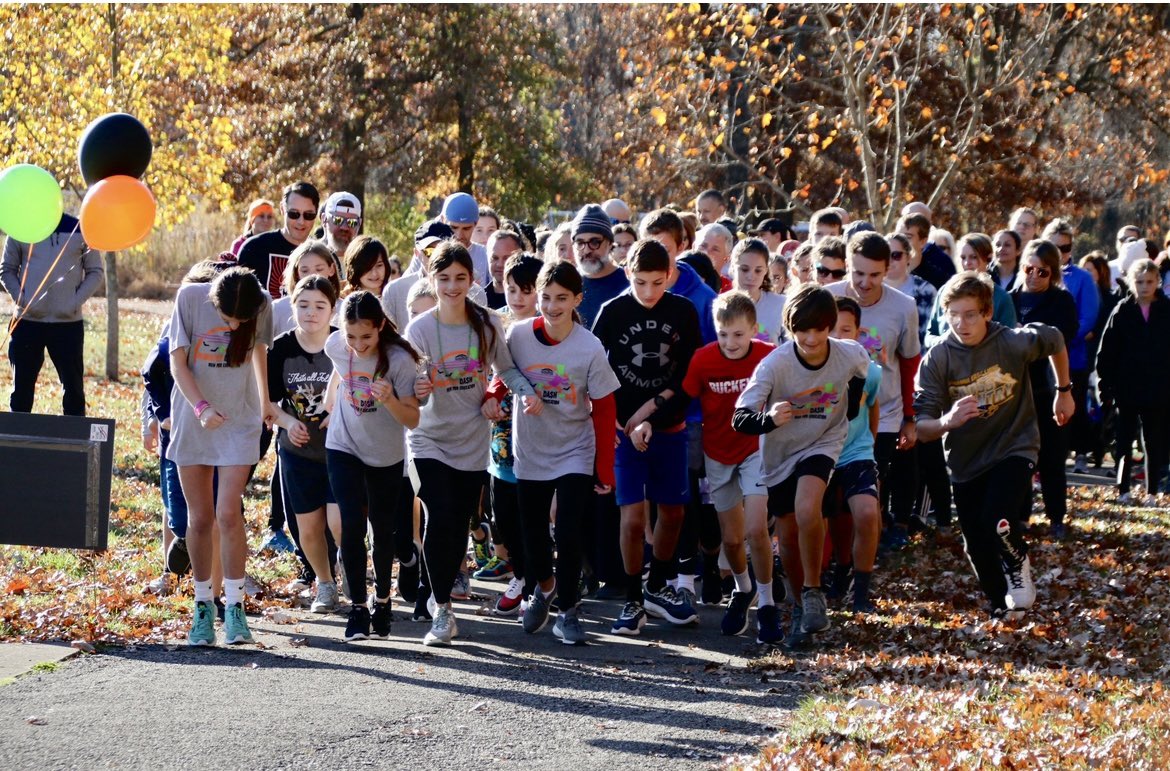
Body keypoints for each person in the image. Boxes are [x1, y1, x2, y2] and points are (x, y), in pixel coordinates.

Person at [405, 241, 539, 646]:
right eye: (443, 278)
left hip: (471, 440)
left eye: (460, 278)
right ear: (432, 278)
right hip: (427, 438)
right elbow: (415, 394)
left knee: (457, 522)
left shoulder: (486, 323)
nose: (451, 286)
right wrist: (422, 388)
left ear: (472, 280)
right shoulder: (420, 329)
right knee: (440, 514)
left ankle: (440, 596)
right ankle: (441, 609)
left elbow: (506, 369)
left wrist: (517, 393)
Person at [916, 271, 1073, 616]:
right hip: (965, 460)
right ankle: (1000, 605)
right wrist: (948, 421)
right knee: (976, 544)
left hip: (1015, 445)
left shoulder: (1012, 341)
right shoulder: (938, 357)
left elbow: (1056, 339)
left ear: (987, 312)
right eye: (953, 314)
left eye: (970, 314)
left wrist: (1064, 392)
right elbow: (922, 428)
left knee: (997, 517)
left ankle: (1018, 564)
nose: (961, 323)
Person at [733, 284, 870, 646]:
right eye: (802, 329)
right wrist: (768, 420)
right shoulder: (775, 364)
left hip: (823, 441)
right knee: (788, 535)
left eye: (820, 329)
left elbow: (861, 371)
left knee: (808, 506)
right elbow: (741, 417)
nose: (811, 338)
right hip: (779, 453)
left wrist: (852, 405)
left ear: (830, 326)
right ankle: (798, 608)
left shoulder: (848, 353)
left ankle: (813, 591)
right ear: (789, 328)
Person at [501, 261, 621, 645]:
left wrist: (605, 468)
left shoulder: (589, 346)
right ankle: (545, 586)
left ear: (577, 300)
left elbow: (604, 409)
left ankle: (568, 611)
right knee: (532, 535)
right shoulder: (518, 335)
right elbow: (501, 373)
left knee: (568, 532)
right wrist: (493, 397)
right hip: (531, 448)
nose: (552, 306)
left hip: (574, 448)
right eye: (547, 297)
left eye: (562, 299)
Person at [591, 239, 702, 634]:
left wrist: (652, 417)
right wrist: (623, 423)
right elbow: (596, 375)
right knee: (633, 516)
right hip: (622, 432)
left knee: (673, 511)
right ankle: (633, 598)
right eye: (641, 283)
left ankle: (658, 586)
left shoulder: (684, 311)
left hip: (669, 428)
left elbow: (688, 377)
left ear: (670, 275)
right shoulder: (612, 312)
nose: (650, 292)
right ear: (627, 275)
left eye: (658, 282)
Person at [167, 266, 273, 646]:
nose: (233, 326)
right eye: (228, 318)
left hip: (239, 421)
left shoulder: (262, 303)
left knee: (228, 512)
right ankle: (202, 606)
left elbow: (260, 352)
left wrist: (266, 403)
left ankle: (235, 607)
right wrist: (201, 408)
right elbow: (177, 363)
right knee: (200, 518)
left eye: (240, 321)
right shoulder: (189, 299)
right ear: (214, 300)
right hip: (195, 418)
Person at [680, 292, 781, 643]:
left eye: (739, 335)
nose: (730, 342)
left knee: (756, 529)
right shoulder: (703, 360)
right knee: (732, 538)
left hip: (756, 449)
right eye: (723, 334)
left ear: (753, 329)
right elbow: (681, 401)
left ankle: (767, 603)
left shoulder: (769, 356)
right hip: (717, 453)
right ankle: (744, 589)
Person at [322, 291, 421, 641]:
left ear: (380, 326)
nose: (358, 345)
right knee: (350, 524)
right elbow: (337, 374)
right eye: (351, 336)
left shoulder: (399, 360)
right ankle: (358, 609)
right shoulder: (335, 346)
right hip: (343, 444)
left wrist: (390, 398)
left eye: (366, 336)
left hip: (385, 453)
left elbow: (412, 418)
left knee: (382, 530)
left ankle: (382, 600)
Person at [827, 232, 921, 550]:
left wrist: (910, 417)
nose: (865, 283)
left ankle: (864, 559)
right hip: (831, 411)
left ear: (888, 269)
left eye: (874, 275)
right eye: (858, 273)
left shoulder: (903, 307)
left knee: (869, 491)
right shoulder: (827, 298)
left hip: (884, 413)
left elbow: (909, 364)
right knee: (833, 494)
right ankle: (837, 559)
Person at [267, 275, 342, 616]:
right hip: (298, 452)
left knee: (340, 522)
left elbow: (365, 388)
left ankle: (354, 579)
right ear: (292, 305)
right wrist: (288, 422)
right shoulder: (280, 348)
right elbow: (265, 402)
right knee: (308, 527)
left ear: (332, 309)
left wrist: (340, 413)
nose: (311, 312)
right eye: (303, 305)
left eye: (320, 306)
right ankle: (325, 585)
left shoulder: (344, 342)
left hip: (341, 451)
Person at [477, 253, 544, 611]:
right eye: (512, 289)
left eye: (527, 290)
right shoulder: (496, 324)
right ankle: (521, 571)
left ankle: (539, 582)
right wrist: (490, 400)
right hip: (502, 433)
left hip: (541, 432)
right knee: (502, 512)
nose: (518, 297)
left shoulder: (548, 327)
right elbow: (493, 372)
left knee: (533, 513)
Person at [2, 212, 104, 416]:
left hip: (67, 325)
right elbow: (7, 270)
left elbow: (95, 271)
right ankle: (17, 445)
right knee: (21, 393)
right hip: (27, 322)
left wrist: (73, 302)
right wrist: (23, 301)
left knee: (74, 392)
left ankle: (74, 445)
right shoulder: (21, 226)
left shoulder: (79, 228)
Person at [1011, 239, 1078, 537]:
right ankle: (1020, 516)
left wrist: (1064, 391)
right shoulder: (1008, 299)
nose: (1034, 276)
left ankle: (1056, 518)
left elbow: (1062, 339)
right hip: (1013, 390)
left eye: (1043, 272)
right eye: (1029, 268)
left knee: (1051, 457)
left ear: (1054, 273)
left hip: (1047, 387)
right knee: (1016, 457)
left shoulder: (1060, 301)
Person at [822, 296, 882, 612]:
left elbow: (872, 410)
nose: (837, 336)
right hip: (820, 453)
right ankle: (840, 570)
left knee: (867, 513)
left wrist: (866, 449)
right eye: (831, 328)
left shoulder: (870, 372)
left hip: (857, 451)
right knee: (835, 518)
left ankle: (861, 592)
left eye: (845, 329)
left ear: (858, 333)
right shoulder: (810, 368)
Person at [1096, 259, 1170, 501]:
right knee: (1124, 438)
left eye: (1149, 281)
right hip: (1126, 385)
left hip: (1158, 386)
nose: (1144, 286)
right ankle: (1123, 489)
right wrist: (1105, 385)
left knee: (1153, 439)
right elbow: (1107, 350)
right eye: (1139, 282)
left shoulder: (1166, 310)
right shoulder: (1122, 310)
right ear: (1131, 282)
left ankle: (1152, 490)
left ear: (1157, 281)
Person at [1040, 219, 1099, 478]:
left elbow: (1088, 316)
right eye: (1055, 247)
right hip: (1037, 360)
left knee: (1069, 412)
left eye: (1065, 247)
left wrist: (1060, 339)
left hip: (1071, 357)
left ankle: (1072, 456)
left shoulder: (1083, 278)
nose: (1060, 253)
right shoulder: (1033, 275)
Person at [381, 219, 487, 330]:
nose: (436, 257)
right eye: (430, 251)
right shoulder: (394, 291)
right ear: (417, 253)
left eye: (443, 252)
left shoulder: (475, 293)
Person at [237, 181, 320, 300]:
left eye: (308, 215)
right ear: (282, 209)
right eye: (293, 214)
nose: (301, 221)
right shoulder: (254, 248)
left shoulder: (323, 254)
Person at [272, 241, 342, 338]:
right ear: (296, 273)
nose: (312, 275)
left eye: (319, 269)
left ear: (331, 269)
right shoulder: (278, 309)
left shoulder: (344, 310)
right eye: (305, 271)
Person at [883, 232, 936, 347]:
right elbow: (868, 329)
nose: (890, 261)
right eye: (885, 255)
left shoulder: (925, 291)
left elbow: (931, 334)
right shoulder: (870, 288)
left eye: (896, 255)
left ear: (908, 257)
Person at [730, 238, 785, 344]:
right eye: (744, 269)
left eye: (758, 270)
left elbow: (791, 348)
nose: (751, 276)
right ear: (732, 268)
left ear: (766, 270)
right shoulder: (720, 305)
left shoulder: (781, 304)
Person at [440, 192, 490, 285]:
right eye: (453, 227)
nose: (459, 235)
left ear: (476, 223)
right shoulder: (428, 252)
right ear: (443, 220)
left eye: (466, 228)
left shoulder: (486, 255)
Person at [896, 212, 955, 290]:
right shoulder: (886, 273)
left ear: (923, 242)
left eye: (908, 237)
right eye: (898, 236)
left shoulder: (938, 281)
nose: (901, 241)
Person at [319, 192, 362, 276]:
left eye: (352, 222)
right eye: (338, 220)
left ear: (359, 224)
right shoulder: (309, 257)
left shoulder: (367, 262)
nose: (344, 227)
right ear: (324, 220)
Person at [484, 229, 524, 310]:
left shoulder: (529, 299)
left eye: (506, 258)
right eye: (494, 258)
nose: (500, 264)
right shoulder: (480, 300)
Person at [342, 235, 392, 299]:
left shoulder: (396, 297)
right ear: (354, 268)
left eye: (379, 265)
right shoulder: (343, 301)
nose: (374, 273)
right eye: (367, 267)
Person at [695, 223, 734, 290]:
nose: (706, 253)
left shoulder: (729, 292)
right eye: (703, 246)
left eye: (715, 249)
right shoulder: (678, 278)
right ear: (693, 247)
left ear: (727, 259)